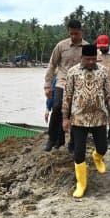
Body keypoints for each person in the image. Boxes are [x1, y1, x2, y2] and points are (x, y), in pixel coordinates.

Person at [62, 44, 110, 198]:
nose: (91, 62)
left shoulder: (103, 72)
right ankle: (82, 184)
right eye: (88, 59)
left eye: (93, 59)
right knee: (78, 152)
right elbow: (68, 96)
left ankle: (97, 157)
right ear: (82, 58)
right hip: (78, 118)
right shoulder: (72, 72)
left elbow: (108, 94)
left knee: (103, 147)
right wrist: (65, 117)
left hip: (99, 117)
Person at [43, 19, 86, 152]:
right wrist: (47, 85)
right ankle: (53, 138)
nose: (73, 37)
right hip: (62, 82)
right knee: (57, 107)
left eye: (76, 34)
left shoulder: (87, 47)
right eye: (71, 34)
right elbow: (52, 65)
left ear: (81, 32)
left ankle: (73, 142)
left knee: (75, 113)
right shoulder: (61, 46)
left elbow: (93, 66)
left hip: (79, 85)